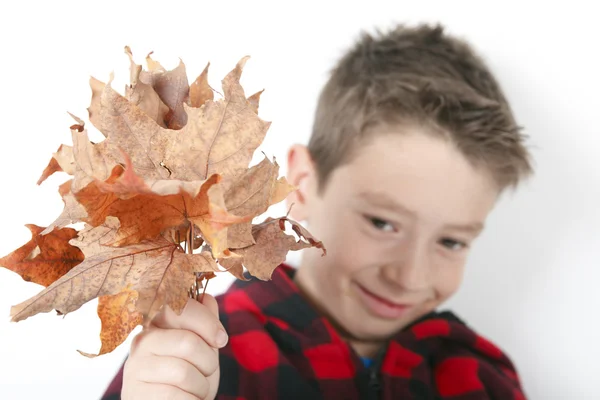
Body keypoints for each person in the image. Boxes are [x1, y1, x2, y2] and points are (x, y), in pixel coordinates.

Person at [100, 23, 533, 400]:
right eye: (382, 222)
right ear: (303, 185)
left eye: (452, 241)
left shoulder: (480, 379)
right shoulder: (196, 358)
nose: (411, 277)